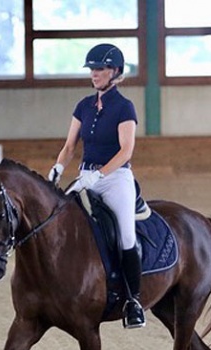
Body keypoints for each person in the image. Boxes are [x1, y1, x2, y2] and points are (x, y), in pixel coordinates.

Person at [48, 43, 145, 329]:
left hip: (115, 179)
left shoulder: (124, 107)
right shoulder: (83, 106)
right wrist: (58, 168)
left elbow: (126, 151)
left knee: (126, 235)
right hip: (84, 176)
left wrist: (99, 175)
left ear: (115, 72)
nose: (94, 74)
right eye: (92, 69)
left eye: (99, 69)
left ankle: (133, 301)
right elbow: (69, 146)